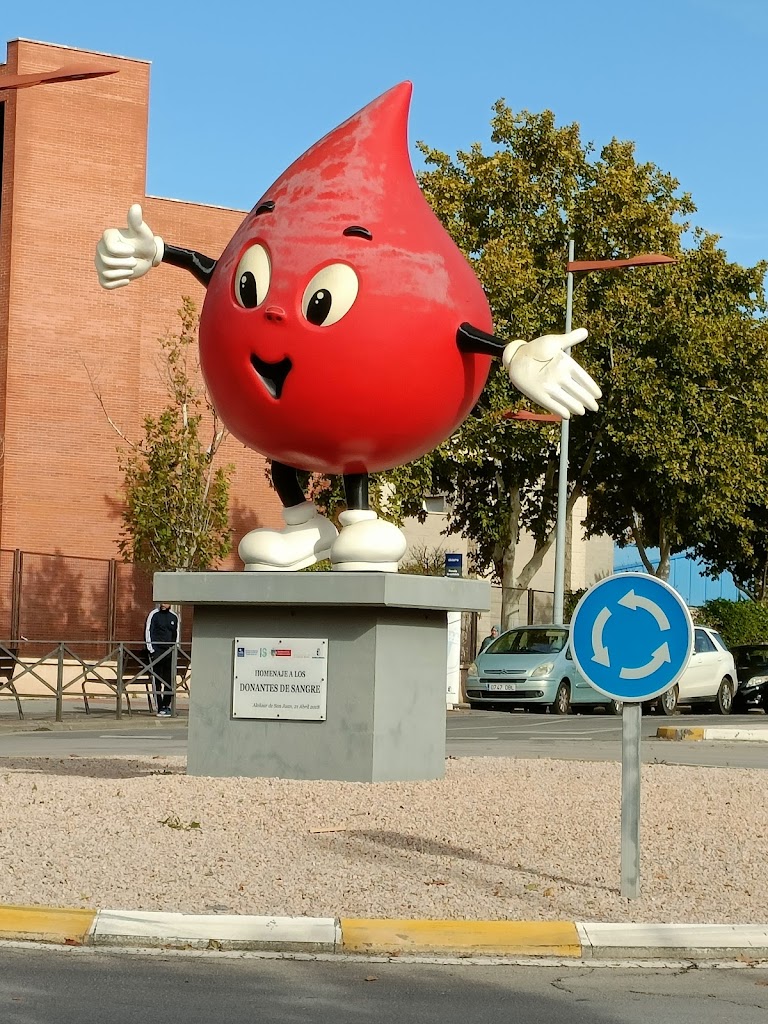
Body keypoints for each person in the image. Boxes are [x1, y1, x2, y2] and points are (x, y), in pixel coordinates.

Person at [145, 602, 179, 717]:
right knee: (157, 680)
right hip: (157, 652)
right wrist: (152, 650)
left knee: (169, 679)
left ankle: (166, 705)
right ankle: (159, 707)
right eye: (162, 602)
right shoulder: (154, 615)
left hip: (169, 652)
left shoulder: (174, 616)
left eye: (166, 602)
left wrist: (175, 649)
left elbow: (176, 635)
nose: (163, 604)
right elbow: (148, 631)